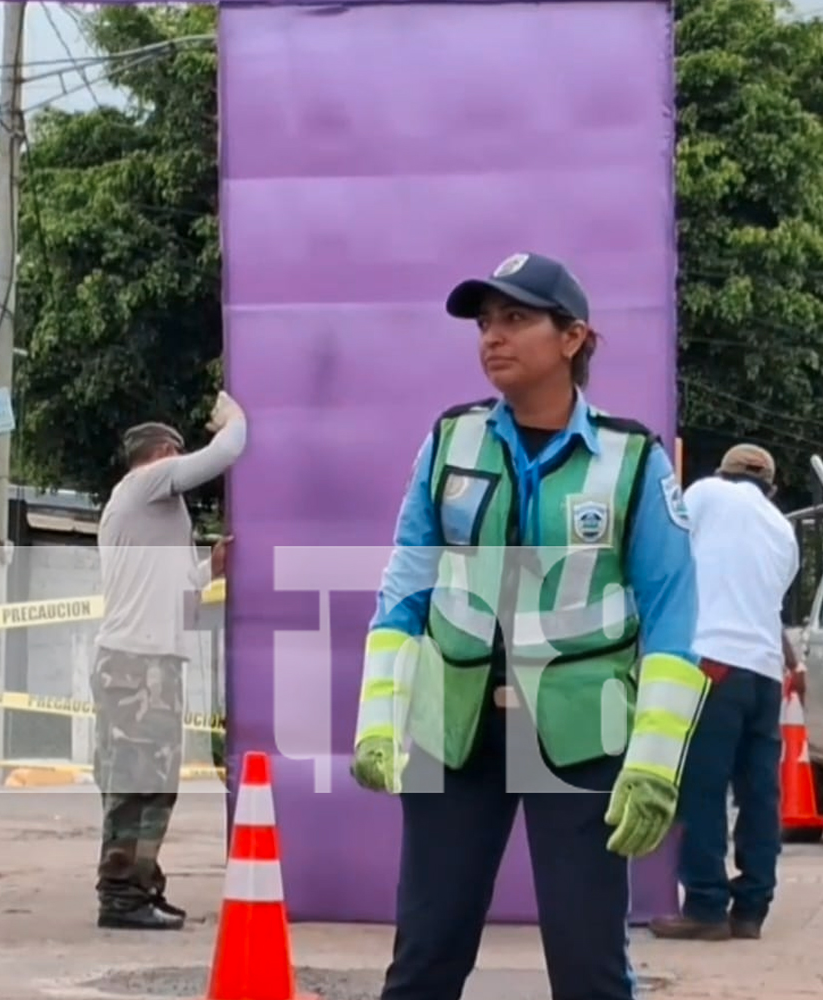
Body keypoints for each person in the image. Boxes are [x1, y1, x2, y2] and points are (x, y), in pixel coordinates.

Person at [349, 251, 709, 1000]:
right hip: (457, 732)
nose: (492, 338)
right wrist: (379, 721)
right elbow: (406, 588)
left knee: (589, 972)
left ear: (572, 337)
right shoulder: (452, 442)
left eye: (515, 319)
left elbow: (673, 619)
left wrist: (652, 764)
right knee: (424, 961)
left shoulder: (632, 459)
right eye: (485, 323)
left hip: (582, 738)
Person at [93, 390, 248, 930]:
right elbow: (227, 450)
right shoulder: (144, 484)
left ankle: (140, 885)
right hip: (138, 665)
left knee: (152, 783)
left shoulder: (145, 512)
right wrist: (233, 415)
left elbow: (178, 594)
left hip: (145, 662)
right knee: (139, 782)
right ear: (163, 454)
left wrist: (210, 571)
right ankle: (122, 896)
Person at [649, 443, 803, 943]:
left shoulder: (705, 494)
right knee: (759, 793)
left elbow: (668, 555)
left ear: (724, 471)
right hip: (763, 672)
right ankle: (753, 908)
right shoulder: (783, 530)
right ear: (771, 487)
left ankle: (706, 907)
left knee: (702, 790)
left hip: (713, 661)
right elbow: (768, 603)